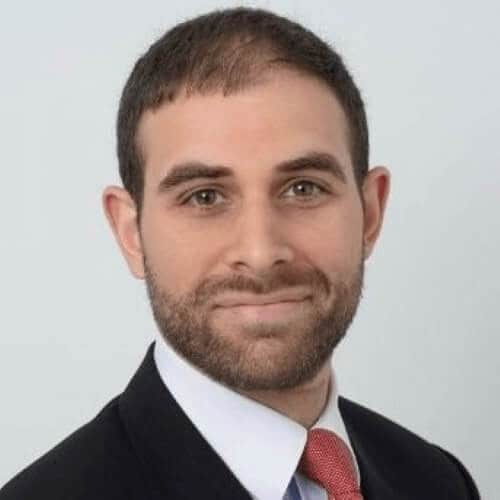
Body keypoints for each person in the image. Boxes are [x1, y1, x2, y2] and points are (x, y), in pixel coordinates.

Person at [0, 6, 480, 500]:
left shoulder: (437, 480)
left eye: (303, 188)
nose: (260, 252)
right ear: (131, 234)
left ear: (370, 213)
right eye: (204, 197)